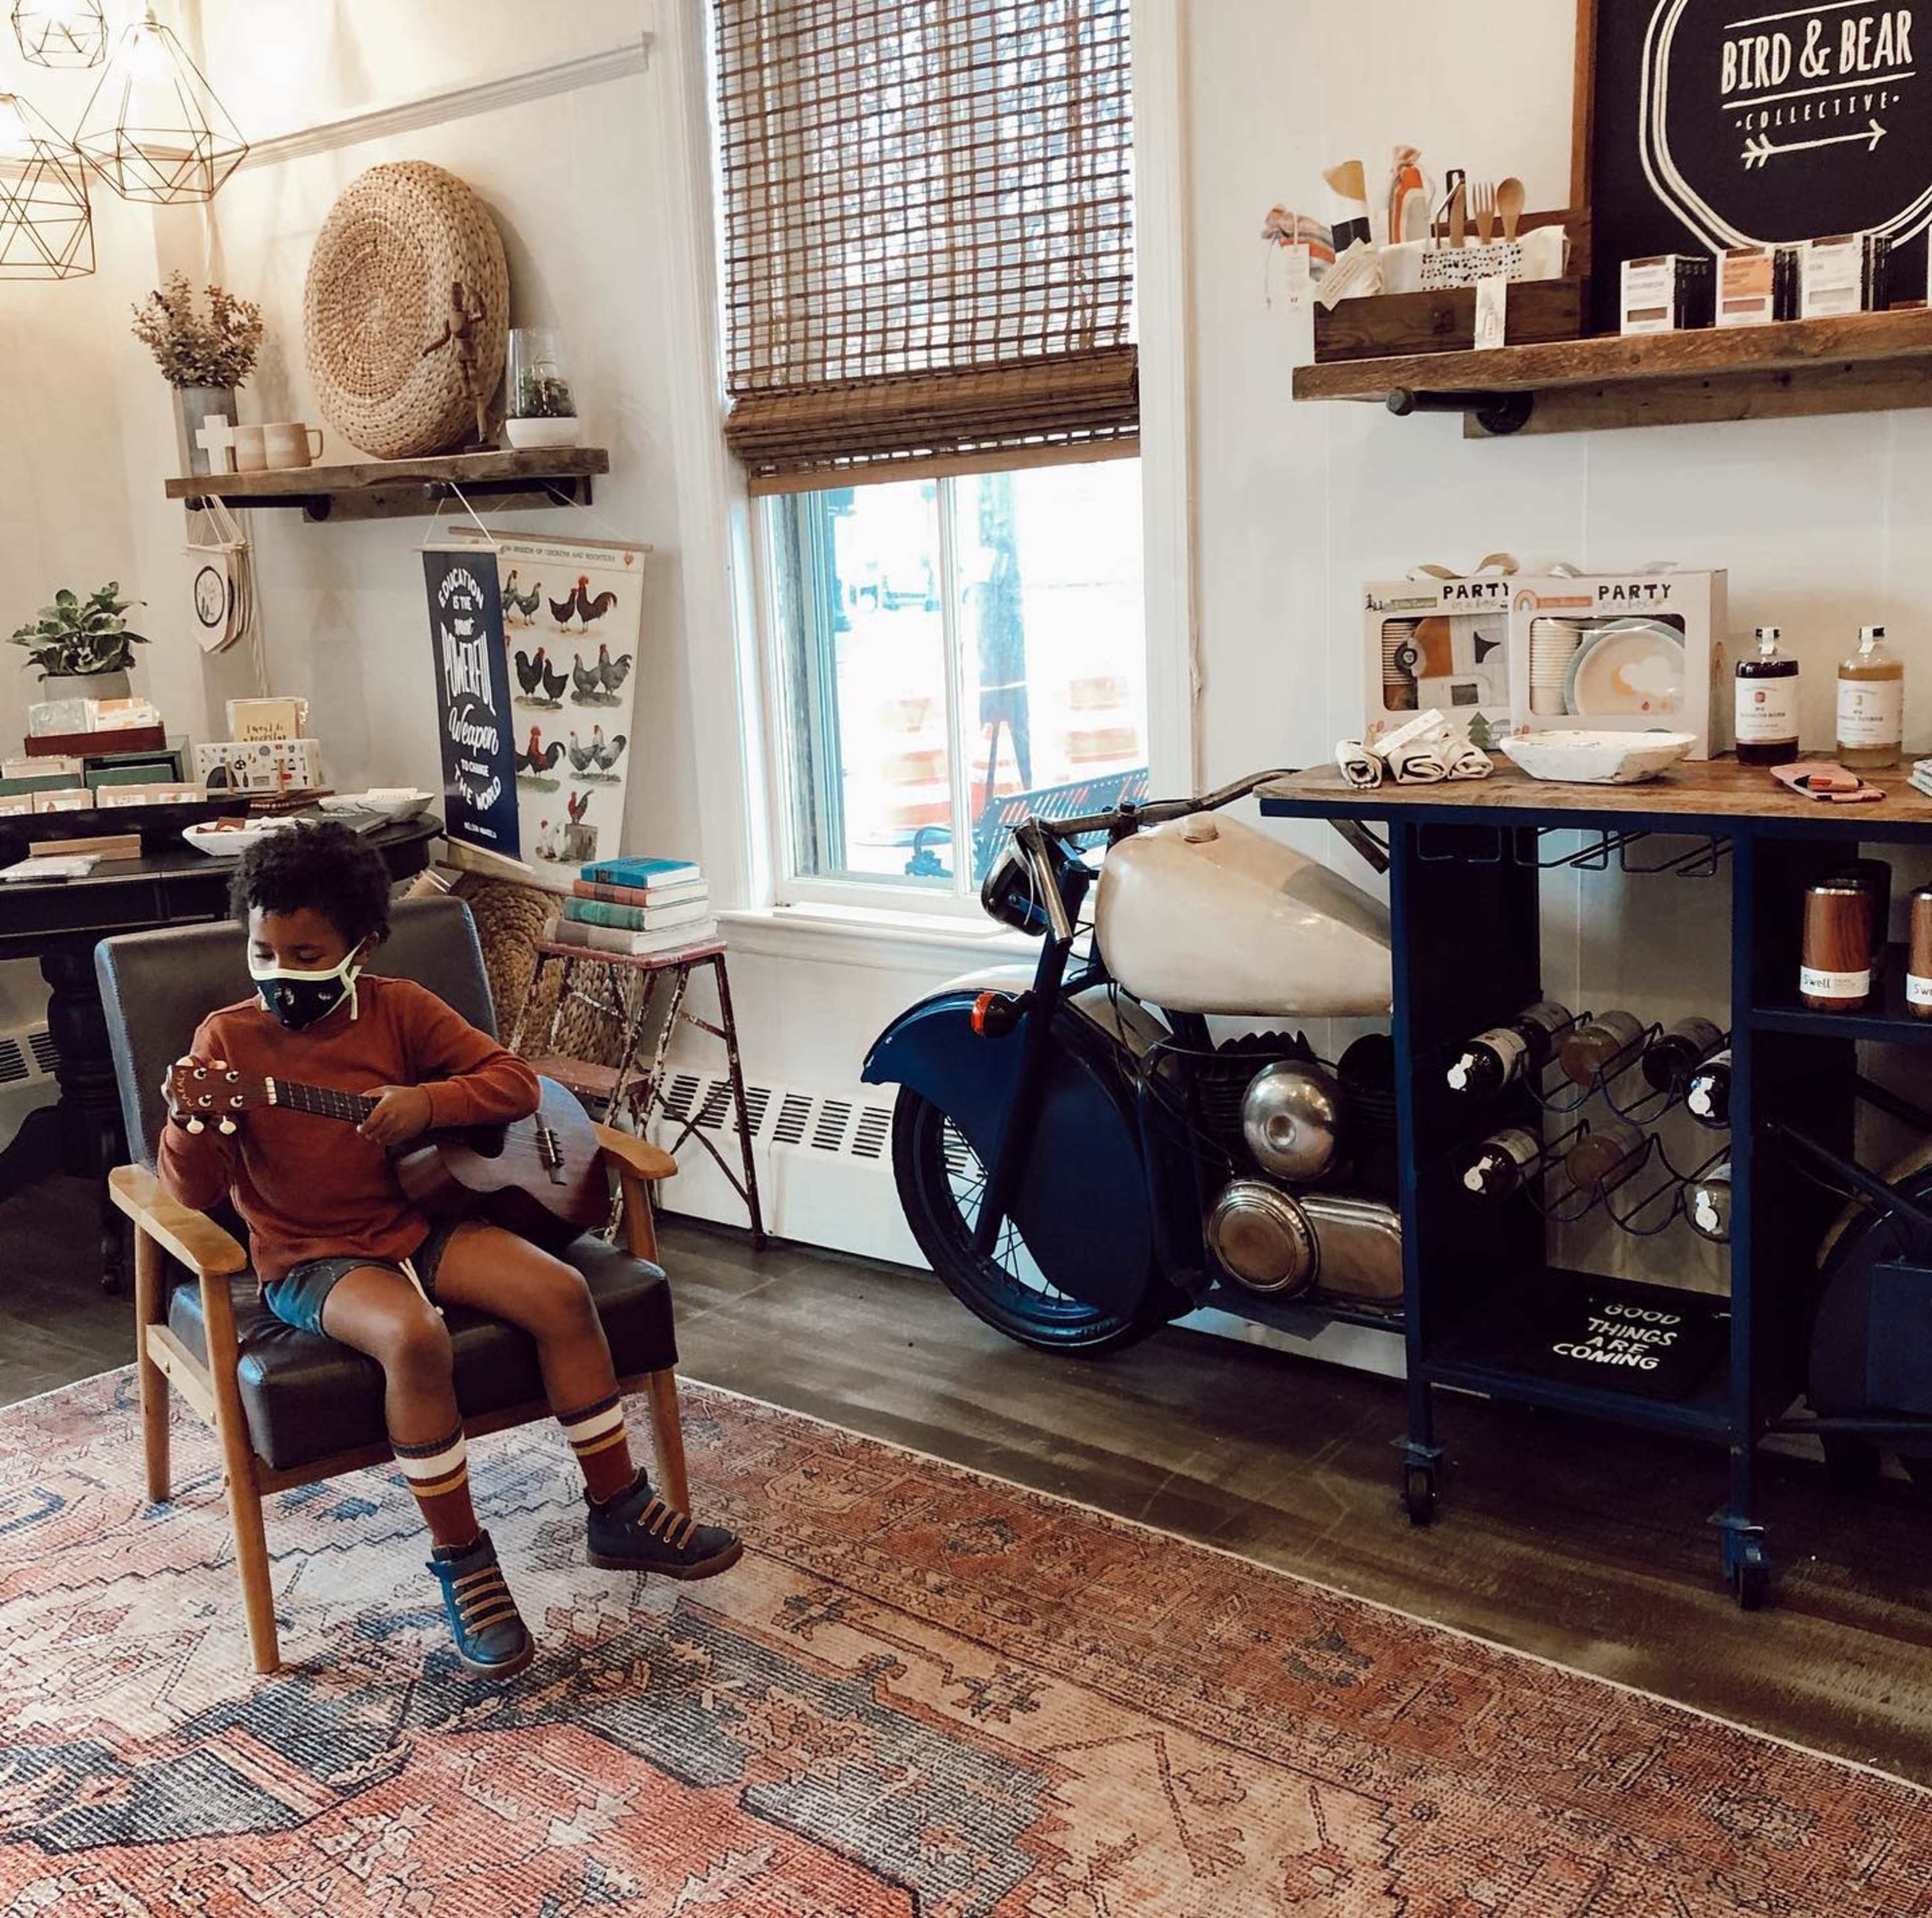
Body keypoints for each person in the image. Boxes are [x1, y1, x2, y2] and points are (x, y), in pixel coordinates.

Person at [157, 822, 739, 1678]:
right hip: (313, 1260)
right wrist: (189, 1121)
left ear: (359, 945)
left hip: (425, 1223)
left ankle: (618, 1507)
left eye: (307, 952)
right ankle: (464, 1561)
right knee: (414, 1338)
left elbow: (512, 1082)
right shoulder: (226, 1044)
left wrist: (426, 1106)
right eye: (264, 950)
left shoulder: (399, 1008)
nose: (281, 970)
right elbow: (190, 1190)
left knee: (561, 1294)